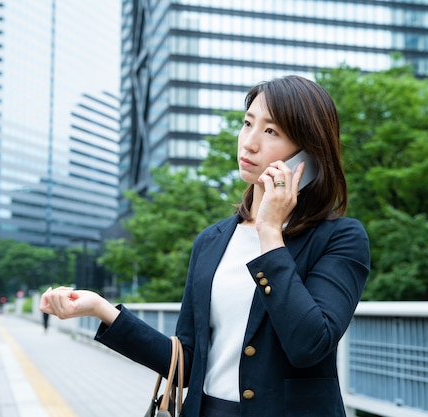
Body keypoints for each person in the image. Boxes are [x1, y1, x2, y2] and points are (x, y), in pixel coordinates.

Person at [40, 75, 370, 417]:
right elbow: (188, 358)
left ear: (307, 154)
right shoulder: (212, 241)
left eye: (271, 131)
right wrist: (101, 309)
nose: (249, 143)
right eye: (247, 124)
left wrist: (270, 232)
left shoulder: (340, 239)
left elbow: (310, 345)